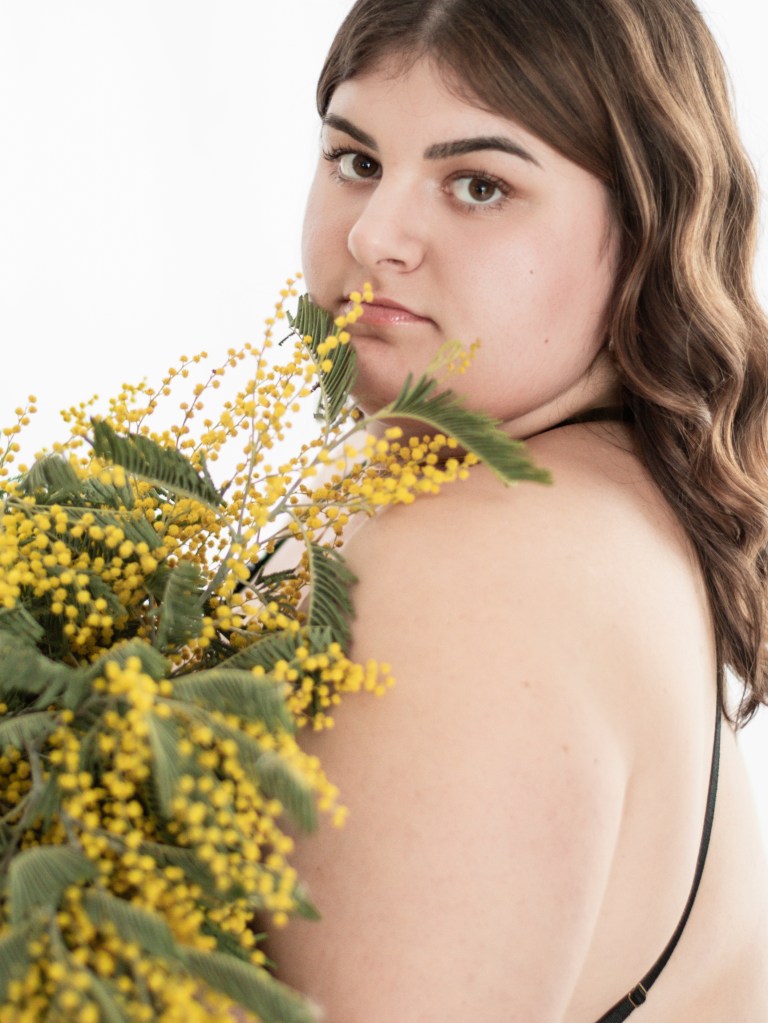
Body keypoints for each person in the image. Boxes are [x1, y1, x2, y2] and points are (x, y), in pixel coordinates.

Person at [266, 0, 768, 1018]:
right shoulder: (581, 492)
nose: (374, 237)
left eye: (479, 185)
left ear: (645, 231)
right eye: (356, 160)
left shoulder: (483, 568)